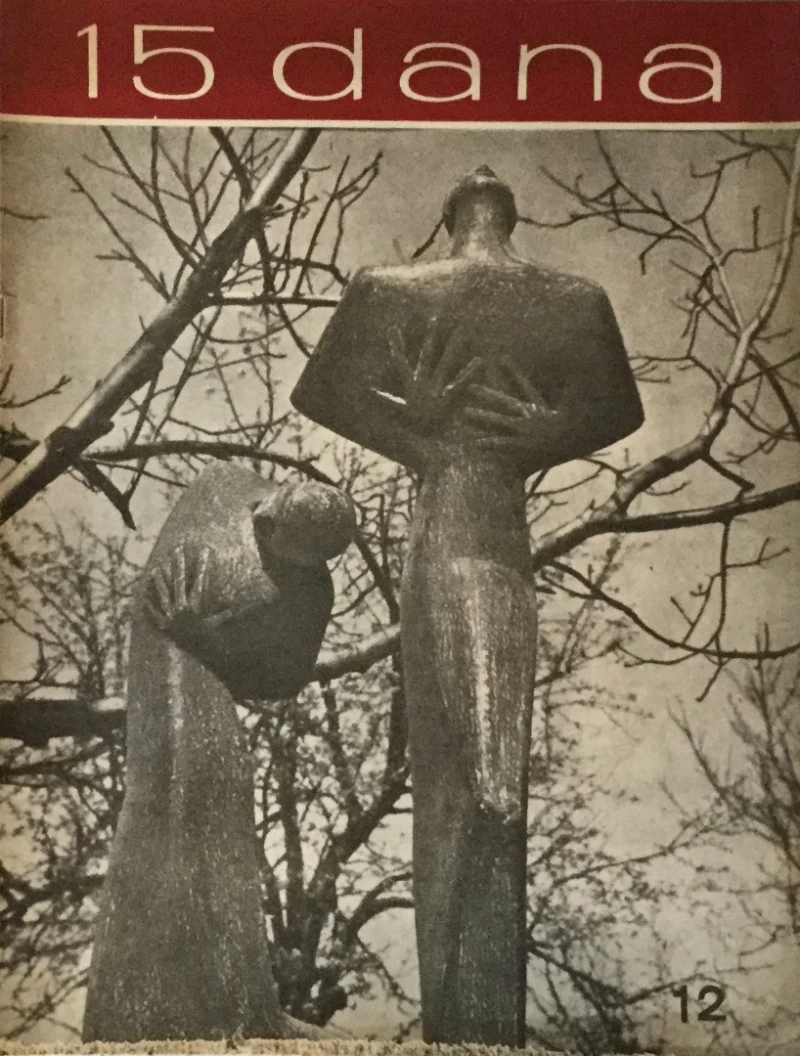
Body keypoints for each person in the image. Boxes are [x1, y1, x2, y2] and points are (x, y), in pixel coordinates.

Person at [291, 167, 643, 1045]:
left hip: (471, 535)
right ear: (508, 214)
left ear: (447, 216)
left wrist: (422, 430)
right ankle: (470, 1016)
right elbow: (618, 411)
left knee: (486, 778)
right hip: (467, 533)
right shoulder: (573, 299)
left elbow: (319, 394)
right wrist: (534, 435)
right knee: (470, 770)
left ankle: (476, 1016)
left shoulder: (392, 289)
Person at [82, 463, 355, 1042]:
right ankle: (146, 1000)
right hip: (166, 675)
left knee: (212, 797)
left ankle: (213, 995)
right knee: (178, 798)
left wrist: (207, 639)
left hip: (206, 677)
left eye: (278, 538)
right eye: (268, 519)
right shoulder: (226, 484)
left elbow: (285, 679)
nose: (262, 528)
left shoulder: (309, 593)